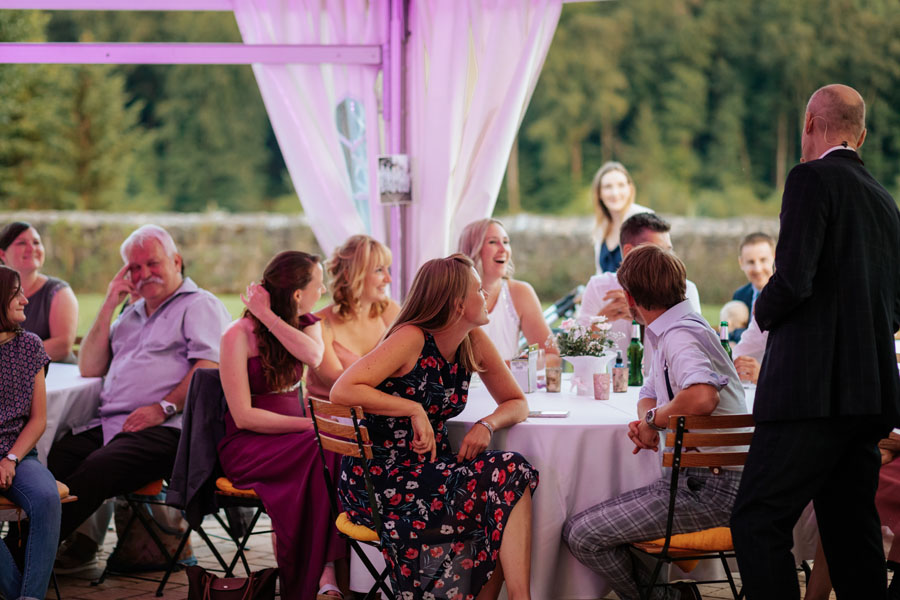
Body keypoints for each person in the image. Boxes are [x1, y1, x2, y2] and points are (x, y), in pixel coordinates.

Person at [730, 84, 900, 600]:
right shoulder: (885, 200)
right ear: (862, 135)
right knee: (852, 531)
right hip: (868, 397)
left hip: (809, 394)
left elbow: (794, 279)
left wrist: (761, 312)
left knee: (758, 519)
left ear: (809, 124)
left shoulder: (809, 178)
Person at [331, 254, 539, 599]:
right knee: (506, 474)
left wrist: (487, 425)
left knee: (507, 478)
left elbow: (517, 403)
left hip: (429, 469)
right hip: (381, 479)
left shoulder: (472, 340)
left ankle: (520, 597)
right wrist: (412, 408)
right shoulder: (411, 337)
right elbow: (342, 390)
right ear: (458, 304)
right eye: (477, 289)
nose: (486, 293)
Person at [563, 244, 747, 600]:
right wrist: (649, 422)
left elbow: (702, 397)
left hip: (713, 488)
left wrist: (653, 419)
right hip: (696, 481)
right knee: (583, 528)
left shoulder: (680, 336)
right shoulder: (673, 329)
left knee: (583, 536)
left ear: (630, 297)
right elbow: (647, 394)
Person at [47, 225, 231, 563]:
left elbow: (209, 367)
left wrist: (162, 408)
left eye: (153, 263)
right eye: (134, 267)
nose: (144, 274)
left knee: (95, 471)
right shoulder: (131, 312)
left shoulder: (198, 305)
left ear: (176, 261)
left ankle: (24, 556)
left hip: (171, 429)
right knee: (53, 461)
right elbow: (89, 367)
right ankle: (28, 551)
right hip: (115, 424)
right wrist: (110, 302)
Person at [218, 251, 346, 599]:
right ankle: (322, 575)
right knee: (321, 446)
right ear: (296, 293)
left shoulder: (309, 325)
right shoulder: (237, 335)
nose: (322, 291)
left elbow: (314, 357)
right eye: (317, 285)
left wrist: (269, 316)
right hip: (249, 442)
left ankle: (327, 572)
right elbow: (243, 416)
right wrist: (306, 426)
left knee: (331, 450)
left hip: (298, 438)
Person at [0, 265, 61, 600]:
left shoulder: (30, 347)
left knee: (47, 498)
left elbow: (38, 420)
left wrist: (10, 458)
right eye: (15, 294)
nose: (25, 299)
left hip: (18, 452)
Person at [577, 213, 702, 358]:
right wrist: (600, 322)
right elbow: (577, 355)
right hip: (612, 379)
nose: (666, 258)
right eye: (658, 251)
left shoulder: (685, 289)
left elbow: (692, 353)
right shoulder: (598, 288)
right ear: (629, 251)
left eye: (669, 250)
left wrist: (645, 314)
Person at [306, 235, 400, 398]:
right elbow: (337, 382)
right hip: (330, 419)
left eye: (388, 269)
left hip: (379, 413)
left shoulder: (390, 311)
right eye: (379, 270)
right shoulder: (320, 324)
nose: (388, 279)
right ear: (351, 275)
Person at [457, 218, 556, 362]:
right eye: (493, 242)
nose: (503, 249)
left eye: (506, 242)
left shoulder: (520, 293)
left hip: (508, 383)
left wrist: (513, 368)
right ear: (472, 249)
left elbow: (551, 355)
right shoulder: (452, 297)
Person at [0, 222, 78, 362]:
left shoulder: (58, 292)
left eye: (36, 242)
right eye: (22, 243)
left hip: (56, 375)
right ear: (2, 254)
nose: (32, 248)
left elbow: (62, 346)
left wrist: (10, 360)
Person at [590, 161, 653, 274]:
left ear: (630, 189)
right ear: (599, 193)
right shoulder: (599, 225)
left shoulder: (645, 221)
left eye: (621, 185)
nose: (615, 193)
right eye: (608, 187)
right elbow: (599, 274)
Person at [729, 232, 775, 342]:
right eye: (751, 262)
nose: (757, 269)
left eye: (763, 260)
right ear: (741, 263)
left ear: (774, 258)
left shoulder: (785, 295)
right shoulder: (740, 295)